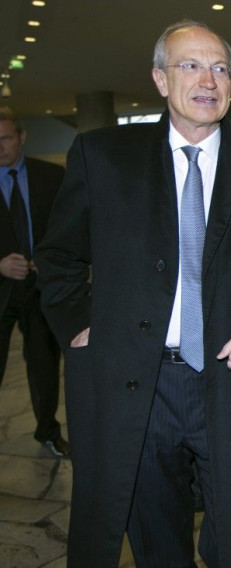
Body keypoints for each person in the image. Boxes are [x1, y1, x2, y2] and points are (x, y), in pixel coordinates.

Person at [34, 19, 231, 567]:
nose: (207, 79)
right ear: (161, 80)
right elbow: (59, 257)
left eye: (219, 68)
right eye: (190, 65)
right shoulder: (102, 157)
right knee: (155, 539)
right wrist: (77, 324)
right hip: (136, 384)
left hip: (229, 385)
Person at [0, 107, 68, 458]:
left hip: (40, 289)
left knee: (43, 365)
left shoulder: (51, 177)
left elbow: (67, 230)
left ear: (22, 138)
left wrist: (47, 262)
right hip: (1, 290)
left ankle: (47, 431)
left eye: (5, 138)